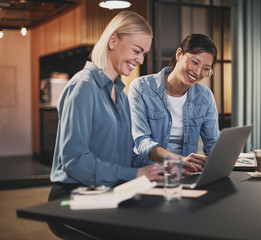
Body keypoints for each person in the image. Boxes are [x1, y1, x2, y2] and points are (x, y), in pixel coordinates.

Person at [47, 11, 163, 239]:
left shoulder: (122, 94)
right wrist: (135, 174)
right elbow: (75, 161)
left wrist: (163, 167)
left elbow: (125, 156)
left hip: (110, 190)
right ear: (113, 40)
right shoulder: (83, 87)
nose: (140, 60)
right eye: (136, 51)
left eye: (144, 54)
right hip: (73, 195)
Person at [128, 33, 220, 173]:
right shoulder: (141, 88)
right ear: (179, 54)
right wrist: (179, 161)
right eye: (194, 62)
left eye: (206, 68)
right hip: (149, 170)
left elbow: (213, 142)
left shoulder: (205, 97)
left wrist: (223, 158)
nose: (197, 72)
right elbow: (141, 141)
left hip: (186, 172)